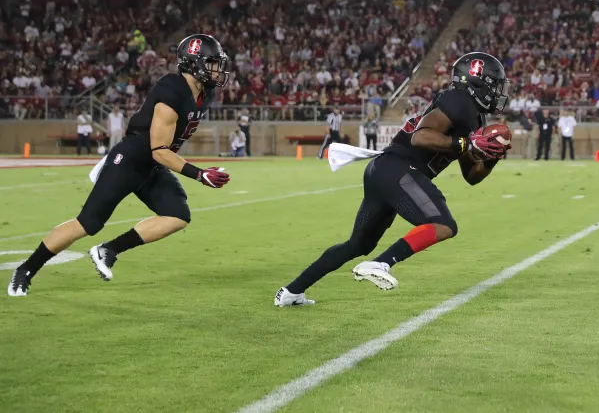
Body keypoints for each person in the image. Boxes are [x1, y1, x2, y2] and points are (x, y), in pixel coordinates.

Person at [275, 52, 510, 306]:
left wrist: (491, 156)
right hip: (398, 169)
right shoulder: (459, 100)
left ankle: (291, 292)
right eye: (495, 85)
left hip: (385, 170)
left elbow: (472, 175)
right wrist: (466, 143)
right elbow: (420, 137)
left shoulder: (473, 115)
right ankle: (381, 263)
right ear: (478, 82)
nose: (498, 92)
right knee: (444, 224)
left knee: (356, 245)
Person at [8, 34, 232, 297]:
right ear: (194, 63)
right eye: (212, 62)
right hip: (133, 157)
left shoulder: (206, 91)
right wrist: (199, 174)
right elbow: (158, 150)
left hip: (152, 164)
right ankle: (26, 269)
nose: (218, 69)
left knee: (178, 215)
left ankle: (109, 250)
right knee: (88, 223)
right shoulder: (172, 89)